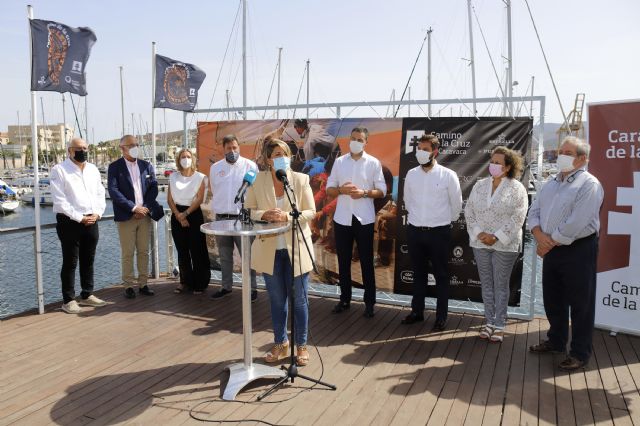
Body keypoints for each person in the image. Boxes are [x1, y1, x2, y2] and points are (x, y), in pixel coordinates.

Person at [527, 136, 604, 371]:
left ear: (582, 159)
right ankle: (556, 340)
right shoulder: (550, 183)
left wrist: (547, 243)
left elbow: (576, 222)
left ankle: (580, 352)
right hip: (551, 248)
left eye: (567, 152)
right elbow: (534, 211)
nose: (561, 155)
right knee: (553, 298)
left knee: (581, 303)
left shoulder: (589, 184)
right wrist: (538, 235)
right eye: (561, 151)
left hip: (578, 249)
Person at [245, 139, 316, 366]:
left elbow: (311, 211)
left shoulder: (300, 179)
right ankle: (281, 343)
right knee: (277, 301)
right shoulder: (257, 180)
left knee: (299, 302)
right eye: (276, 153)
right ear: (268, 159)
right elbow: (250, 210)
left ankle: (302, 346)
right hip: (269, 250)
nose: (281, 157)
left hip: (296, 249)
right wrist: (265, 214)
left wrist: (288, 216)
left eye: (284, 153)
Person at [464, 146, 528, 342]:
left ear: (508, 167)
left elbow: (519, 217)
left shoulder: (517, 188)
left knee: (501, 284)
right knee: (487, 284)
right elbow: (469, 211)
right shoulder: (480, 185)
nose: (493, 165)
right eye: (492, 161)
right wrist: (479, 233)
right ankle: (489, 322)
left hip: (504, 245)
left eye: (497, 163)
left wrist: (497, 236)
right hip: (480, 242)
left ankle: (500, 324)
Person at [401, 134, 462, 331]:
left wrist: (441, 222)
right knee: (418, 274)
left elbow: (456, 206)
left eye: (425, 149)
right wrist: (418, 221)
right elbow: (407, 201)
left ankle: (441, 316)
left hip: (439, 233)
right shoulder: (411, 174)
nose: (421, 152)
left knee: (441, 275)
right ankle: (417, 312)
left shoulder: (448, 175)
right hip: (415, 231)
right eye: (419, 148)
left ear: (435, 152)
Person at [326, 127, 387, 318]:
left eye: (360, 139)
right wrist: (341, 191)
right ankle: (344, 299)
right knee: (343, 262)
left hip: (364, 219)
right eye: (353, 138)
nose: (356, 142)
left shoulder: (373, 163)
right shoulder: (339, 162)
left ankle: (369, 303)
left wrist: (365, 193)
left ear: (366, 142)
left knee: (366, 263)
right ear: (349, 140)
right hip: (342, 219)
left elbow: (382, 190)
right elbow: (329, 189)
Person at [50, 137, 107, 314]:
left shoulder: (92, 169)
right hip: (70, 222)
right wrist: (79, 217)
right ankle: (68, 300)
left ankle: (87, 294)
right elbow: (60, 201)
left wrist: (97, 213)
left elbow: (100, 193)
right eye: (79, 148)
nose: (83, 151)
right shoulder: (59, 170)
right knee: (70, 261)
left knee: (88, 259)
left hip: (92, 220)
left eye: (85, 148)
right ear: (70, 150)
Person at [107, 135, 164, 299]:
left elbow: (154, 187)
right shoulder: (114, 167)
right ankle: (128, 285)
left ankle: (143, 284)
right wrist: (134, 208)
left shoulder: (146, 165)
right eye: (131, 145)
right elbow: (114, 191)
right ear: (122, 148)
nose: (135, 147)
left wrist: (145, 207)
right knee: (127, 253)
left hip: (145, 215)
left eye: (136, 144)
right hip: (127, 216)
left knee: (144, 251)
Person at [209, 134, 258, 301]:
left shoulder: (250, 166)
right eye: (228, 148)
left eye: (234, 148)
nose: (232, 151)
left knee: (247, 256)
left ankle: (252, 289)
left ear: (239, 147)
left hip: (243, 218)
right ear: (223, 149)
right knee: (224, 255)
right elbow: (215, 190)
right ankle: (226, 287)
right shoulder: (215, 167)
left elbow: (255, 191)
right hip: (221, 218)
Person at [167, 148, 211, 294]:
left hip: (193, 214)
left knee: (197, 250)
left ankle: (200, 283)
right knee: (182, 250)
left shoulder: (200, 177)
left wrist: (185, 214)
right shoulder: (173, 177)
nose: (185, 159)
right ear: (178, 161)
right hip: (177, 215)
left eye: (188, 156)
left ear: (193, 159)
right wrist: (178, 215)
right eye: (182, 157)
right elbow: (169, 199)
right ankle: (185, 281)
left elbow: (199, 199)